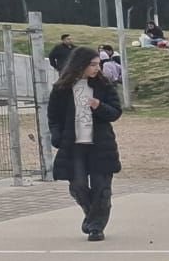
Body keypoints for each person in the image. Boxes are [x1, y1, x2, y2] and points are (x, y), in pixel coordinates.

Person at [47, 46, 122, 241]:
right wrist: (57, 137)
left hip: (100, 144)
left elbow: (115, 112)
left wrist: (99, 105)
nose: (97, 68)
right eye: (93, 65)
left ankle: (96, 227)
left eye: (98, 64)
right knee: (78, 186)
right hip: (74, 145)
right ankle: (92, 216)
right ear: (80, 65)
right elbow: (53, 117)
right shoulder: (61, 88)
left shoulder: (104, 86)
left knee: (102, 188)